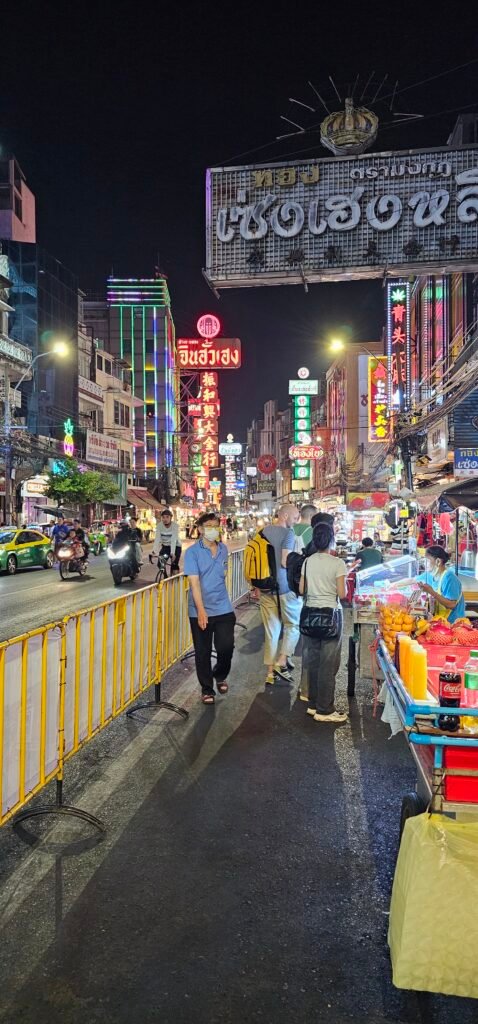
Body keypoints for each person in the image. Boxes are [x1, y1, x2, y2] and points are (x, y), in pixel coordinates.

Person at [299, 522, 348, 724]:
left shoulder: (307, 561)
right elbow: (342, 594)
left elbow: (301, 589)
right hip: (331, 616)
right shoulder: (337, 563)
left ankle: (313, 704)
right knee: (328, 664)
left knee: (313, 661)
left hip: (310, 614)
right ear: (331, 540)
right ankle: (325, 709)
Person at [184, 512, 236, 705]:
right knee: (203, 651)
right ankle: (207, 689)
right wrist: (201, 610)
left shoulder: (223, 549)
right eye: (209, 526)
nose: (213, 530)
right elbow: (194, 583)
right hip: (199, 609)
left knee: (226, 647)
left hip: (223, 607)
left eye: (216, 526)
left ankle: (220, 674)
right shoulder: (192, 553)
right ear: (200, 529)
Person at [257, 504, 301, 685]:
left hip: (265, 587)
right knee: (293, 625)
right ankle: (281, 661)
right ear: (285, 516)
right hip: (284, 587)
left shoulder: (262, 532)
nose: (296, 521)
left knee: (271, 630)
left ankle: (270, 672)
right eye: (295, 517)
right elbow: (285, 561)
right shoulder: (288, 534)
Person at [416, 545, 465, 623]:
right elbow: (413, 580)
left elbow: (451, 605)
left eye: (427, 561)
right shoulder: (433, 575)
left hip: (453, 624)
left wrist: (431, 592)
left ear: (438, 561)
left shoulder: (449, 578)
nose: (424, 564)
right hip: (441, 622)